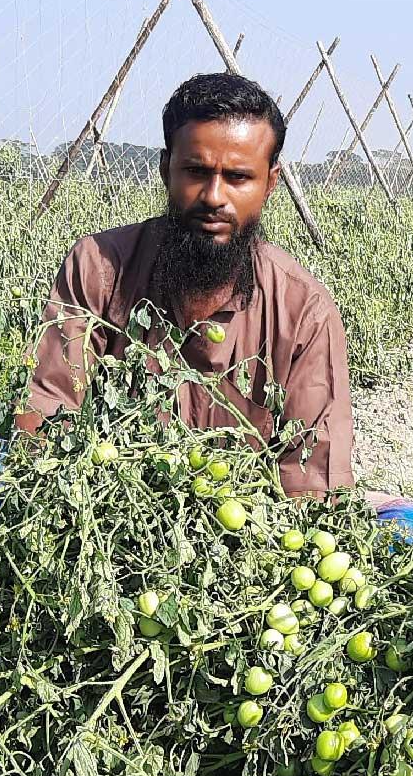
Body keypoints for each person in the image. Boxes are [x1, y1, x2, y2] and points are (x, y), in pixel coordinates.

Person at [18, 72, 352, 496]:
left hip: (245, 536)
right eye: (196, 171)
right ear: (165, 169)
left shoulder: (302, 311)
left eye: (238, 177)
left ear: (270, 183)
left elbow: (311, 476)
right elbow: (48, 411)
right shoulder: (99, 269)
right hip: (109, 513)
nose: (213, 196)